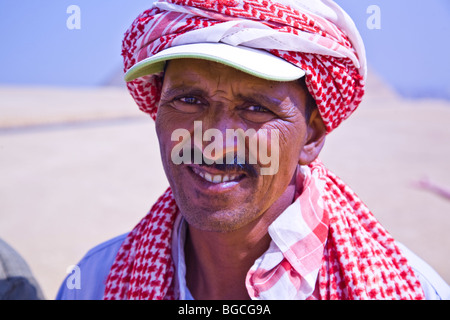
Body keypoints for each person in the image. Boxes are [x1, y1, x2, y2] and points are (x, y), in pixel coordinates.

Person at [57, 0, 449, 300]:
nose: (216, 140)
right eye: (189, 100)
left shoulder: (407, 288)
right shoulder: (94, 282)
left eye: (256, 108)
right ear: (157, 112)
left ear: (311, 137)